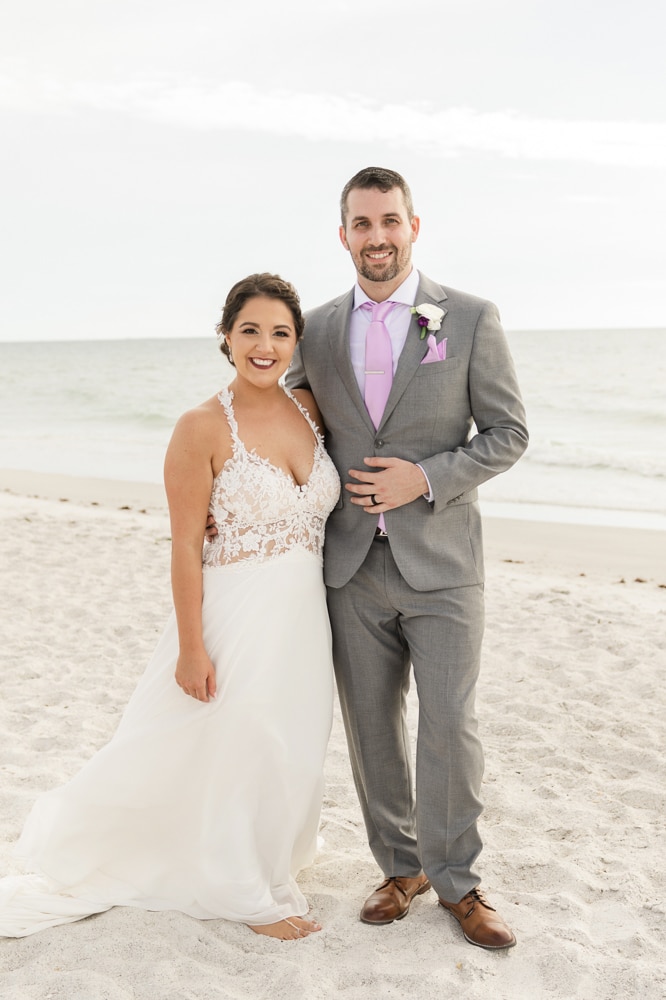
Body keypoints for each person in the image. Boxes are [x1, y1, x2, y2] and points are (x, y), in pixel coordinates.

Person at [0, 273, 341, 941]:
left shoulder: (310, 410)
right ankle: (243, 891)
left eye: (279, 333)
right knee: (231, 736)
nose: (264, 345)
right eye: (250, 331)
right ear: (225, 336)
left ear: (296, 343)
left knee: (288, 743)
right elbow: (186, 546)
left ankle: (269, 853)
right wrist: (192, 647)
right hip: (233, 614)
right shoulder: (201, 426)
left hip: (303, 620)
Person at [286, 167, 528, 950]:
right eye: (362, 224)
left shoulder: (470, 317)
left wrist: (424, 476)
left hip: (445, 562)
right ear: (344, 234)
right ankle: (400, 867)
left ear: (413, 226)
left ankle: (458, 881)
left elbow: (507, 434)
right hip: (351, 565)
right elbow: (289, 417)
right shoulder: (316, 329)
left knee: (450, 725)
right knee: (371, 728)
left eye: (390, 220)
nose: (377, 237)